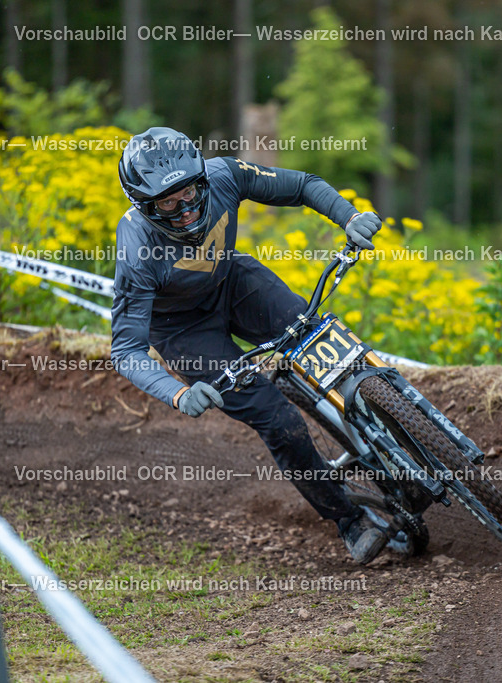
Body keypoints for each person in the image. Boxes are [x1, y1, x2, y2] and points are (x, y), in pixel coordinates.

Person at [112, 127, 386, 564]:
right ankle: (349, 520)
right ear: (145, 206)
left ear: (201, 178)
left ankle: (397, 417)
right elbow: (126, 351)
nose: (184, 209)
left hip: (231, 282)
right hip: (183, 330)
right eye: (168, 203)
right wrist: (179, 393)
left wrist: (349, 217)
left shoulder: (223, 175)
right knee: (280, 421)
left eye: (189, 193)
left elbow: (302, 185)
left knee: (315, 333)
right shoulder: (136, 247)